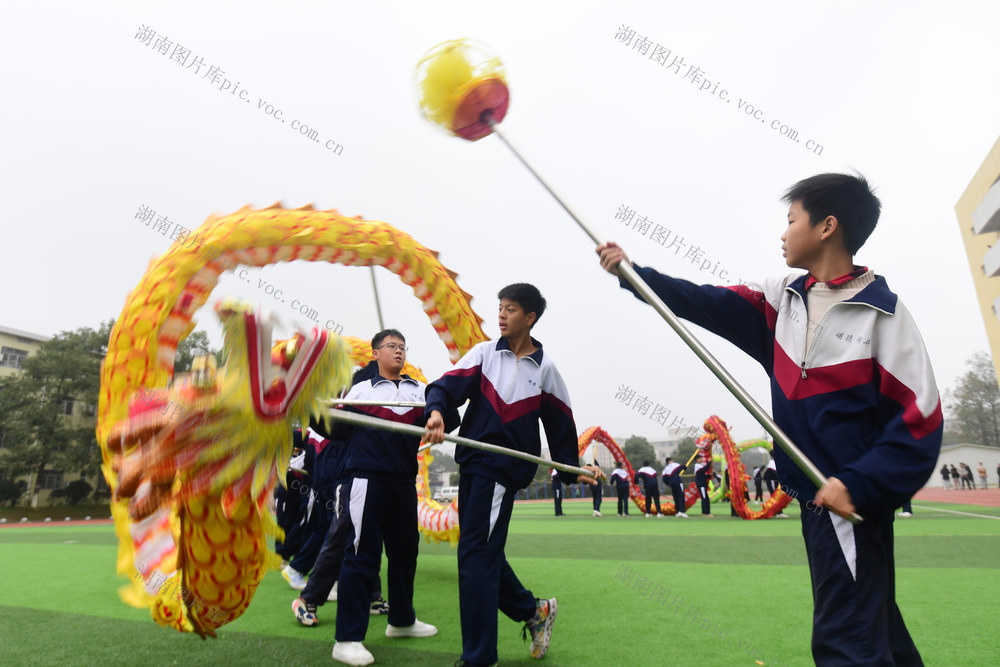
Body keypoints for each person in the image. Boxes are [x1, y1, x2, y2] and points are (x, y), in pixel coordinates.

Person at [597, 172, 942, 665]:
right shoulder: (782, 297)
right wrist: (635, 276)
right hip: (815, 497)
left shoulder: (883, 316)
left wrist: (858, 483)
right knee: (874, 626)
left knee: (848, 642)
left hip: (845, 503)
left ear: (827, 227)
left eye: (791, 220)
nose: (783, 233)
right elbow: (703, 300)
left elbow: (921, 419)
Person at [423, 283, 600, 666]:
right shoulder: (484, 354)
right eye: (500, 308)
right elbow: (444, 387)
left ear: (530, 318)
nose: (501, 315)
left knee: (475, 558)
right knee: (479, 554)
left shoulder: (546, 369)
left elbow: (561, 425)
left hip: (502, 471)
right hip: (473, 463)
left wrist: (572, 469)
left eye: (511, 309)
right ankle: (534, 611)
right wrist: (436, 411)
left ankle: (479, 658)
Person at [330, 330, 440, 666]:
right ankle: (346, 639)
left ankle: (402, 621)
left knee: (405, 554)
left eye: (403, 347)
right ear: (376, 353)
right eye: (392, 346)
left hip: (404, 483)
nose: (399, 351)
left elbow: (444, 417)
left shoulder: (419, 391)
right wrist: (324, 402)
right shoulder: (359, 390)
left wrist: (437, 415)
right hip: (367, 481)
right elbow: (333, 429)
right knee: (362, 555)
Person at [291, 364, 389, 629]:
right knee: (339, 536)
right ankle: (307, 598)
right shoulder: (345, 400)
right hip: (343, 481)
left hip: (368, 477)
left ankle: (371, 595)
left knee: (368, 536)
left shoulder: (377, 397)